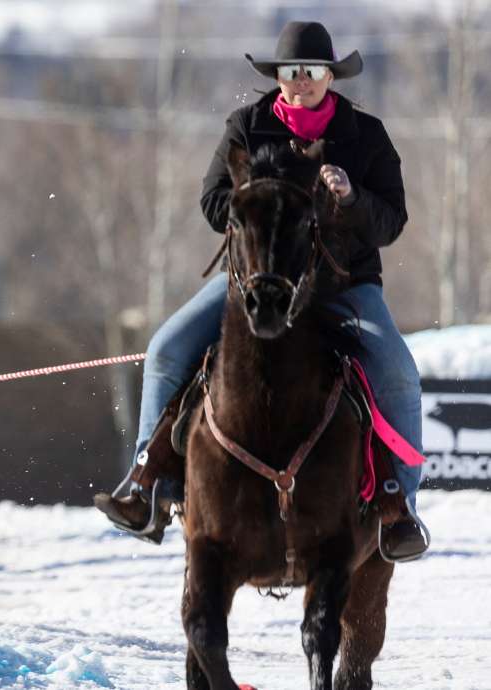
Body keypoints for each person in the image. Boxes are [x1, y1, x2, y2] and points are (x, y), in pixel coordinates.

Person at [93, 22, 430, 561]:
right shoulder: (247, 125)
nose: (300, 83)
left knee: (397, 372)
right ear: (277, 77)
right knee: (165, 349)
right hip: (255, 283)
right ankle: (145, 485)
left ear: (329, 76)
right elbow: (212, 201)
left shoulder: (366, 134)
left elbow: (391, 222)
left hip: (342, 285)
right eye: (291, 73)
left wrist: (350, 197)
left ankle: (398, 507)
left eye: (312, 73)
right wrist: (256, 198)